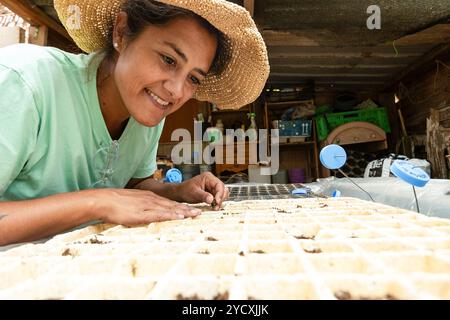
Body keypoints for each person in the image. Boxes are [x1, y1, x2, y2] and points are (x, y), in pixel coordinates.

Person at [0, 0, 269, 246]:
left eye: (193, 78)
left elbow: (134, 185)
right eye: (168, 59)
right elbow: (110, 199)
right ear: (121, 33)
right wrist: (97, 202)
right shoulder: (23, 82)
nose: (176, 91)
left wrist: (177, 191)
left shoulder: (148, 112)